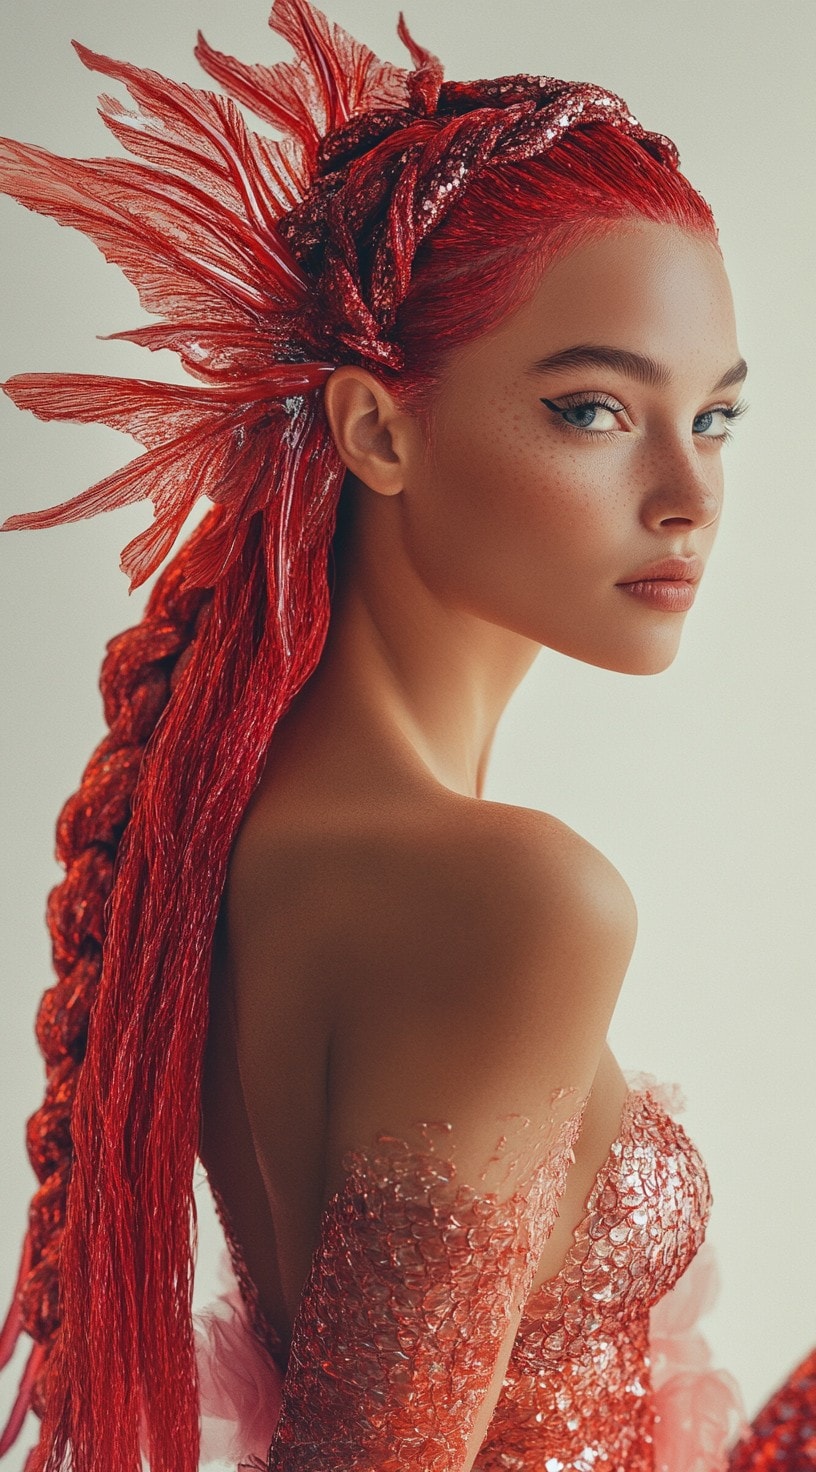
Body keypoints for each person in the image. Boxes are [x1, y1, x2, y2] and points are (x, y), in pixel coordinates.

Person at [0, 0, 814, 1468]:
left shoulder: (268, 840)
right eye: (592, 410)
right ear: (378, 432)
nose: (688, 494)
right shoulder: (506, 900)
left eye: (717, 420)